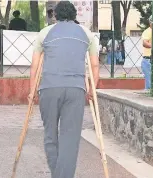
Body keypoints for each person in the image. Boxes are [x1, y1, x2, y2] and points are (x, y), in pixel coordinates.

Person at [29, 1, 99, 178]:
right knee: (70, 138)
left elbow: (35, 66)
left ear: (55, 15)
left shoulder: (44, 33)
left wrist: (31, 91)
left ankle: (57, 175)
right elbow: (95, 65)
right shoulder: (87, 34)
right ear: (74, 15)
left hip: (49, 88)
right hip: (76, 89)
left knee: (50, 135)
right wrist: (92, 88)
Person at [141, 15, 152, 90]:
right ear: (150, 22)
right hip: (148, 60)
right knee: (149, 84)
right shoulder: (148, 31)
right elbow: (145, 43)